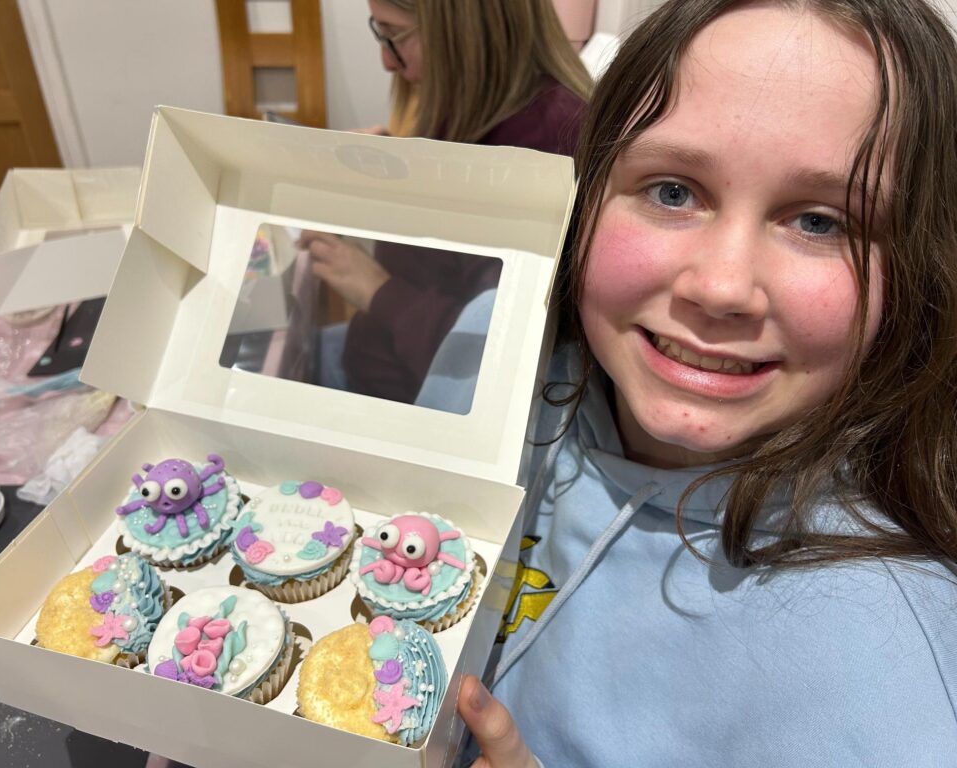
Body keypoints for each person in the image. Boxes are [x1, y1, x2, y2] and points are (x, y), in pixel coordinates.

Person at [453, 0, 957, 765]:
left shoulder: (891, 673)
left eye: (820, 221)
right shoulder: (494, 353)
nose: (721, 288)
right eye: (673, 191)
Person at [301, 0, 592, 406]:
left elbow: (492, 367)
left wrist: (374, 288)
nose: (386, 61)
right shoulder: (479, 107)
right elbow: (457, 248)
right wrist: (403, 172)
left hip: (415, 407)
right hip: (376, 364)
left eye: (393, 34)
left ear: (463, 30)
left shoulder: (542, 144)